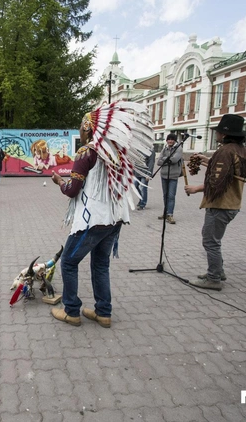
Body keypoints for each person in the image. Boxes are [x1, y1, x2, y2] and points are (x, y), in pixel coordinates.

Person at [49, 101, 153, 327]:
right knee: (100, 264)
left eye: (80, 126)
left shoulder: (86, 152)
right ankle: (103, 312)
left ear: (87, 128)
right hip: (113, 219)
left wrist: (59, 182)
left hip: (92, 221)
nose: (79, 130)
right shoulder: (114, 153)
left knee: (67, 262)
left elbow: (72, 190)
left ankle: (72, 311)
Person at [185, 114, 246, 291]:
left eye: (218, 132)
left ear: (224, 134)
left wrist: (195, 189)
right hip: (232, 203)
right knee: (214, 239)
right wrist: (207, 161)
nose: (216, 134)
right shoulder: (240, 150)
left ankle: (214, 279)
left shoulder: (225, 151)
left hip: (221, 204)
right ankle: (218, 271)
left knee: (210, 241)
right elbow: (229, 172)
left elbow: (218, 180)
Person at [156, 133, 183, 224]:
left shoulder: (178, 148)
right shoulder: (165, 148)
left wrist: (165, 160)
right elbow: (159, 162)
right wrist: (168, 160)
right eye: (169, 139)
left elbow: (175, 159)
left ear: (174, 140)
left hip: (173, 176)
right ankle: (165, 213)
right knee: (165, 195)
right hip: (163, 175)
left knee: (171, 196)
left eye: (172, 139)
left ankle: (170, 214)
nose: (170, 141)